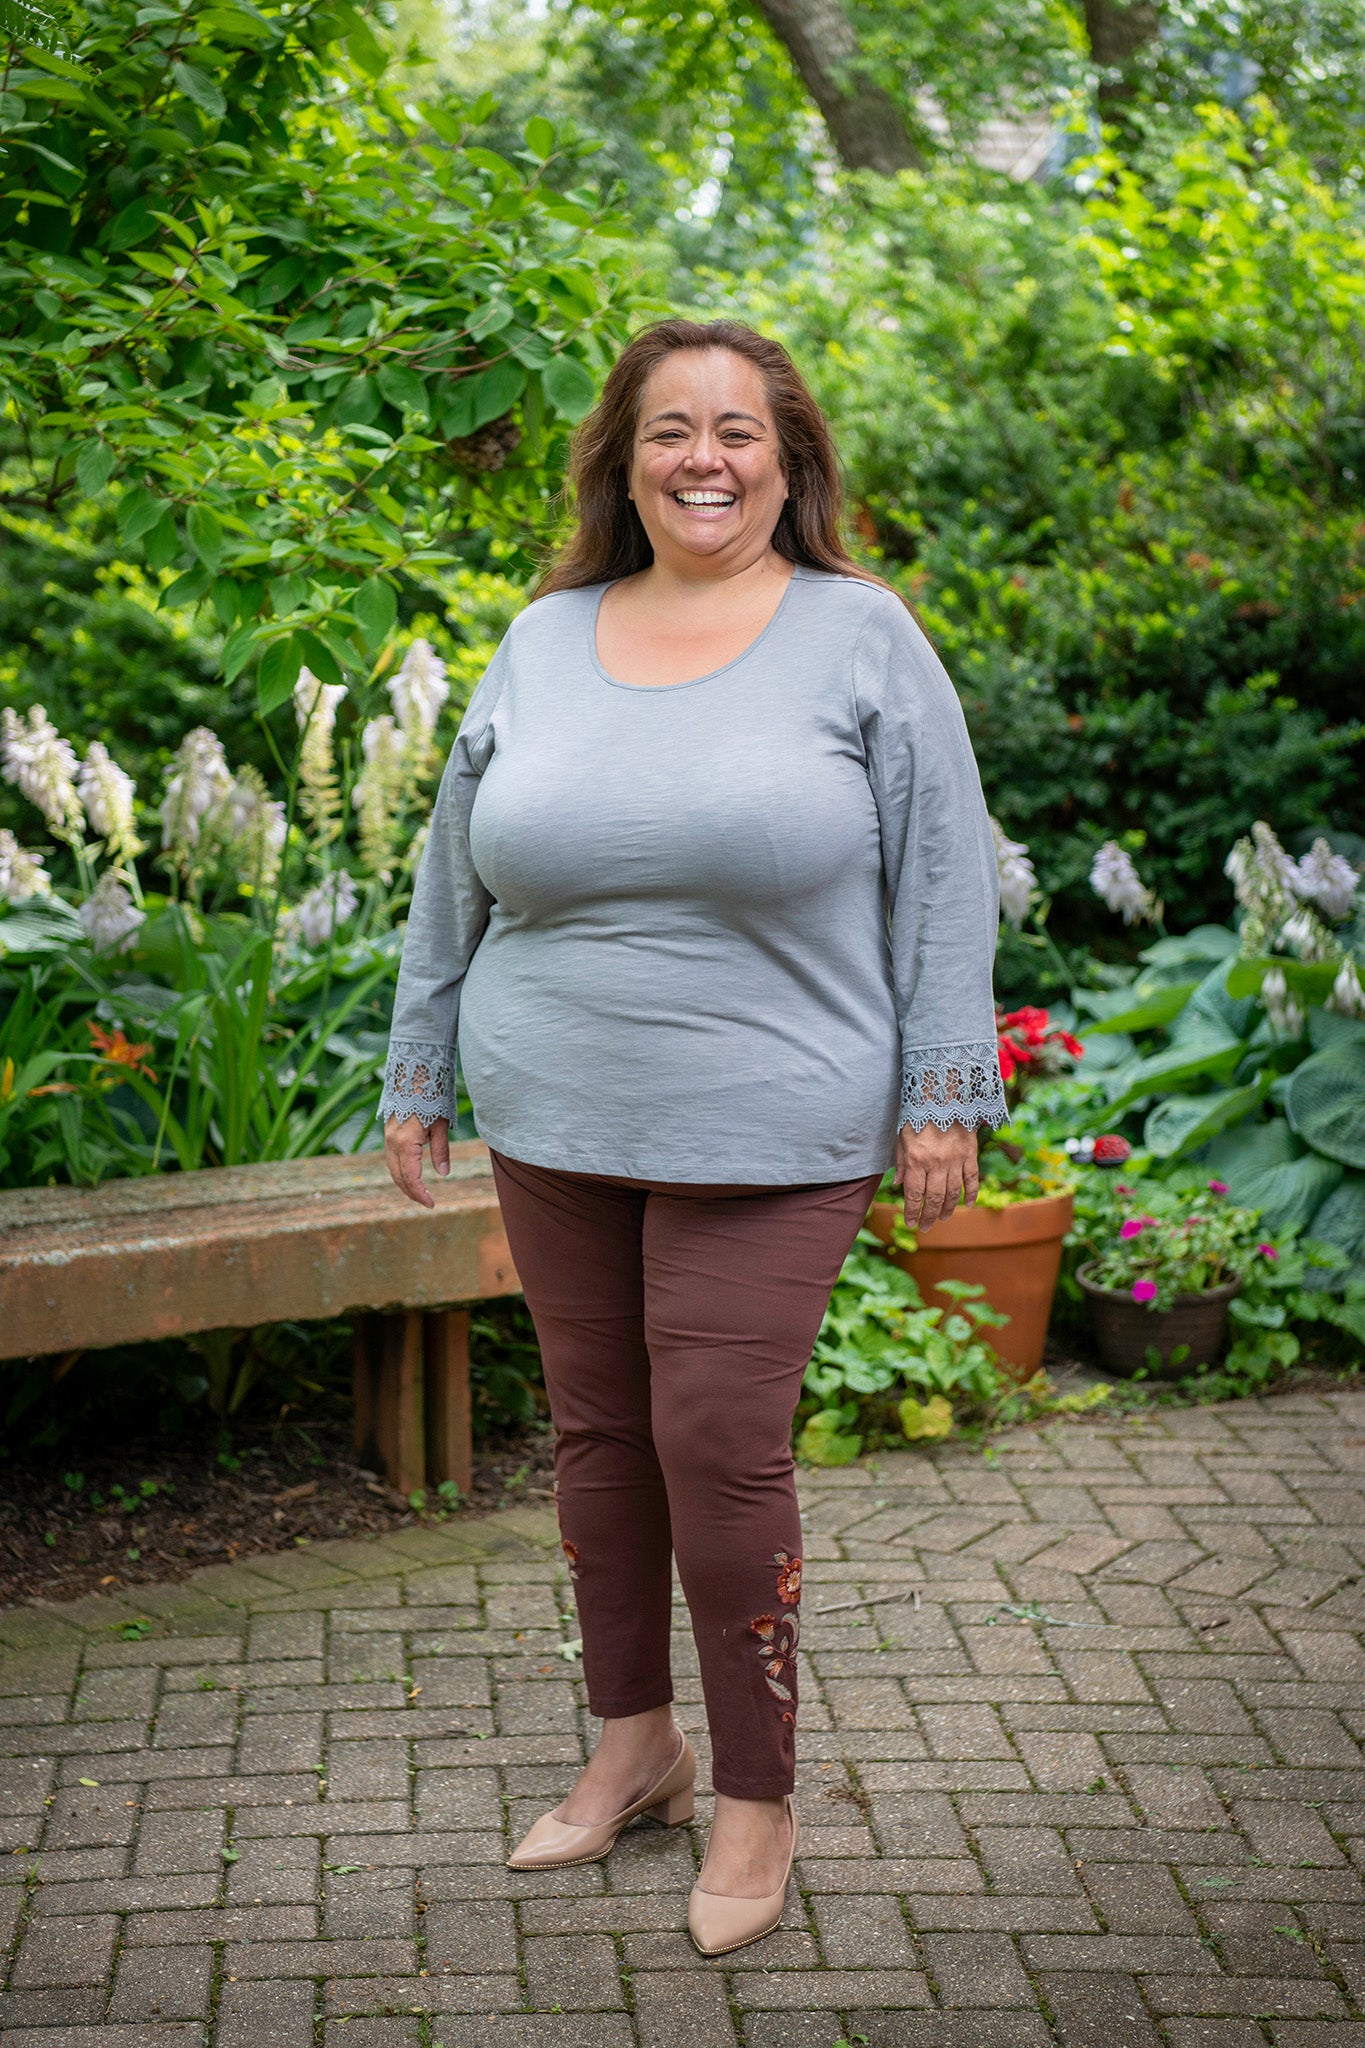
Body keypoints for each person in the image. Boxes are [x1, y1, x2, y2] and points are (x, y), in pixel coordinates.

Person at [378, 317, 1006, 1956]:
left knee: (717, 1446)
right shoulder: (545, 635)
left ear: (788, 459)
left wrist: (943, 1093)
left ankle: (756, 1795)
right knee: (595, 1443)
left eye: (736, 428)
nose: (703, 457)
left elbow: (943, 872)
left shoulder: (858, 637)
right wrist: (415, 1064)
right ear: (623, 461)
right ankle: (631, 1747)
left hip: (776, 1116)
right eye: (669, 430)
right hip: (555, 1108)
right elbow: (453, 872)